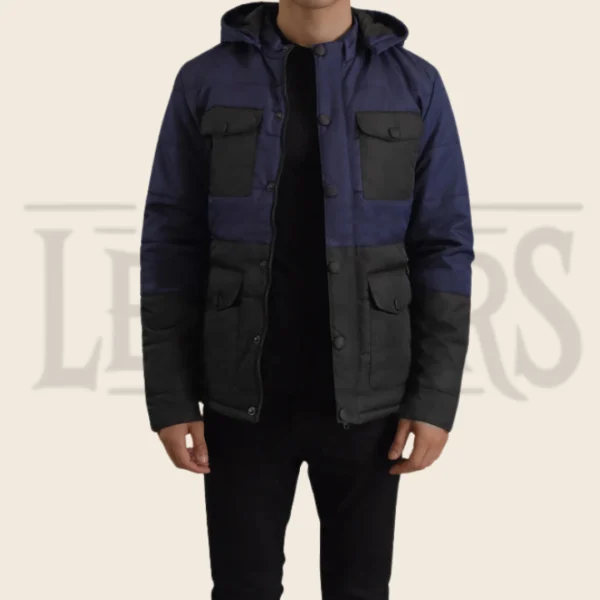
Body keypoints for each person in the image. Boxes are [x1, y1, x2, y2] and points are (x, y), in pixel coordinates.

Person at [140, 1, 474, 598]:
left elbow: (443, 245)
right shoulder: (206, 79)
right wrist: (170, 395)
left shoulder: (414, 83)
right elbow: (170, 241)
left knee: (359, 589)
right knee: (242, 588)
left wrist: (435, 397)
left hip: (369, 401)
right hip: (239, 395)